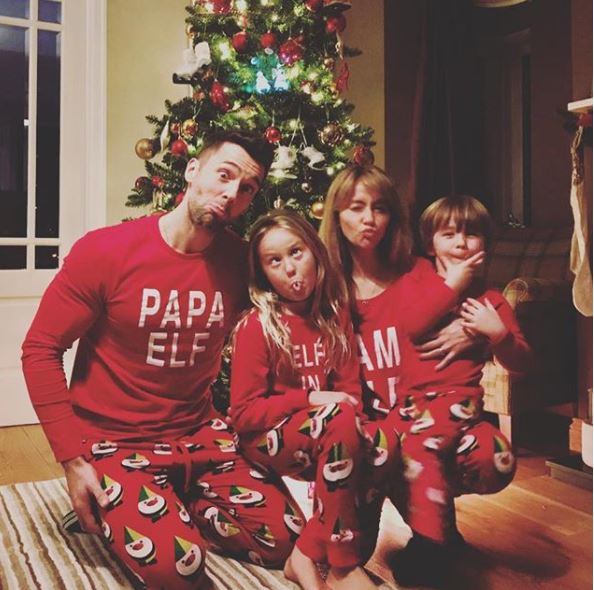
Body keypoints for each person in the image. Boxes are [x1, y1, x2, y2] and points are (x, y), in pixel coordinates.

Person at [21, 132, 305, 590]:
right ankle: (146, 507)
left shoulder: (240, 262)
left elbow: (307, 300)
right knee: (179, 567)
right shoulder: (106, 251)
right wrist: (73, 461)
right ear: (193, 170)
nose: (232, 194)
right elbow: (40, 350)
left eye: (247, 188)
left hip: (200, 436)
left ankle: (173, 502)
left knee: (286, 537)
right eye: (224, 175)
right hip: (117, 442)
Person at [319, 167, 526, 586]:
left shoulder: (422, 273)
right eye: (356, 207)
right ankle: (416, 522)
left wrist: (472, 328)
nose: (368, 219)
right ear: (337, 215)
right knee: (351, 551)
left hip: (428, 420)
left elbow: (464, 302)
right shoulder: (327, 290)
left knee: (488, 457)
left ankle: (436, 534)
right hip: (371, 432)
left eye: (379, 208)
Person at [229, 209, 400, 590]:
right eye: (275, 261)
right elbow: (243, 414)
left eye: (296, 252)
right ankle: (341, 567)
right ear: (263, 274)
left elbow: (351, 395)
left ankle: (308, 554)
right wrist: (311, 398)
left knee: (386, 442)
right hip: (267, 439)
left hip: (328, 433)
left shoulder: (333, 315)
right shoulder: (257, 326)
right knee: (338, 417)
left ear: (315, 253)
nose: (290, 268)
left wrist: (340, 412)